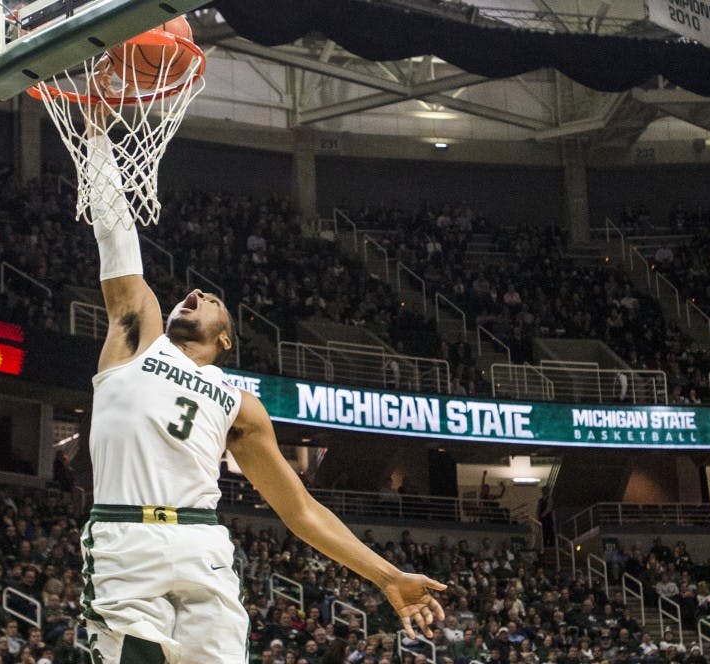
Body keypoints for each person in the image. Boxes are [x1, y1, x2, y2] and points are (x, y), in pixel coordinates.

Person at [78, 86, 446, 664]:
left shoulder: (239, 403)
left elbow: (299, 510)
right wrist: (97, 141)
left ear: (226, 339)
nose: (193, 292)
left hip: (202, 543)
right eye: (190, 294)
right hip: (127, 538)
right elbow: (116, 240)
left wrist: (385, 576)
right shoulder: (137, 340)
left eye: (210, 298)